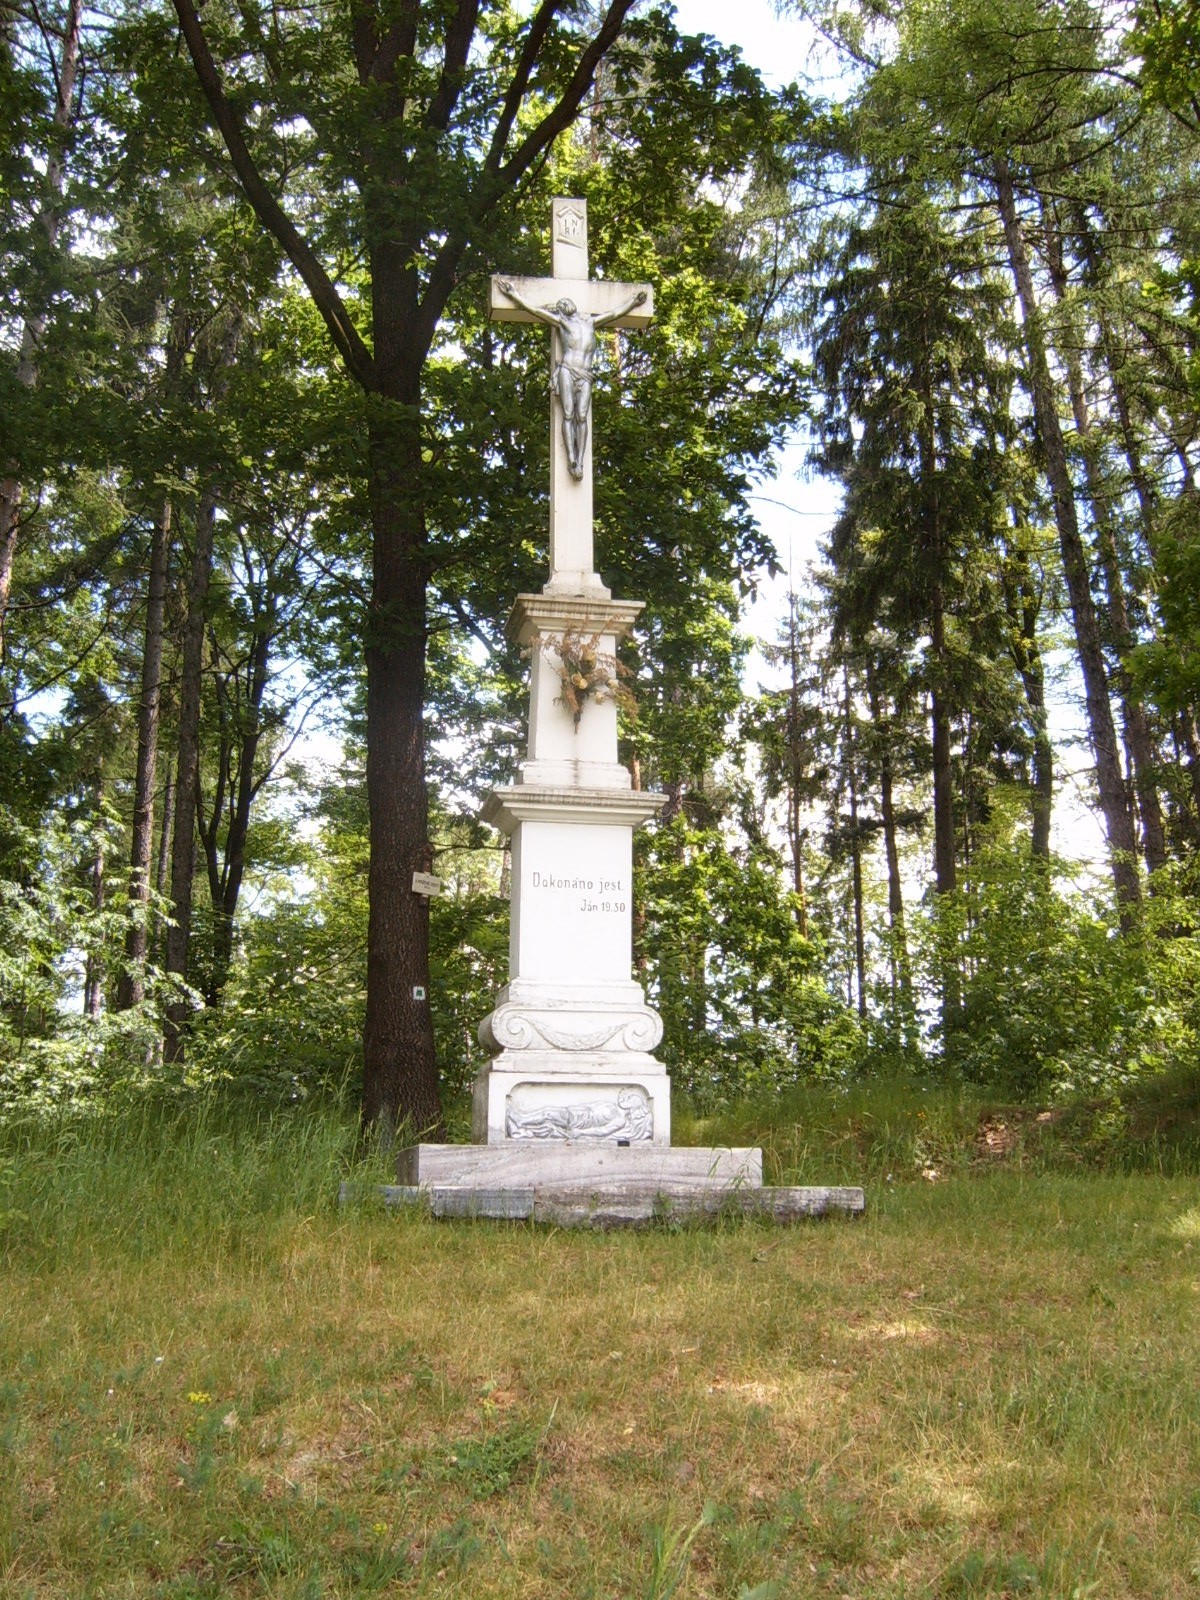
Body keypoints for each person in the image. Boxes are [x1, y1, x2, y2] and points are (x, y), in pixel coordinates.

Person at [497, 280, 648, 479]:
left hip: (585, 374)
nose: (565, 304)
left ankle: (580, 459)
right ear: (560, 311)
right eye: (561, 304)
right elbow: (535, 311)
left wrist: (634, 302)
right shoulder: (562, 322)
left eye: (566, 302)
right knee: (568, 413)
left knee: (582, 416)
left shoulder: (590, 322)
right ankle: (571, 458)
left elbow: (614, 314)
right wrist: (514, 295)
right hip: (567, 370)